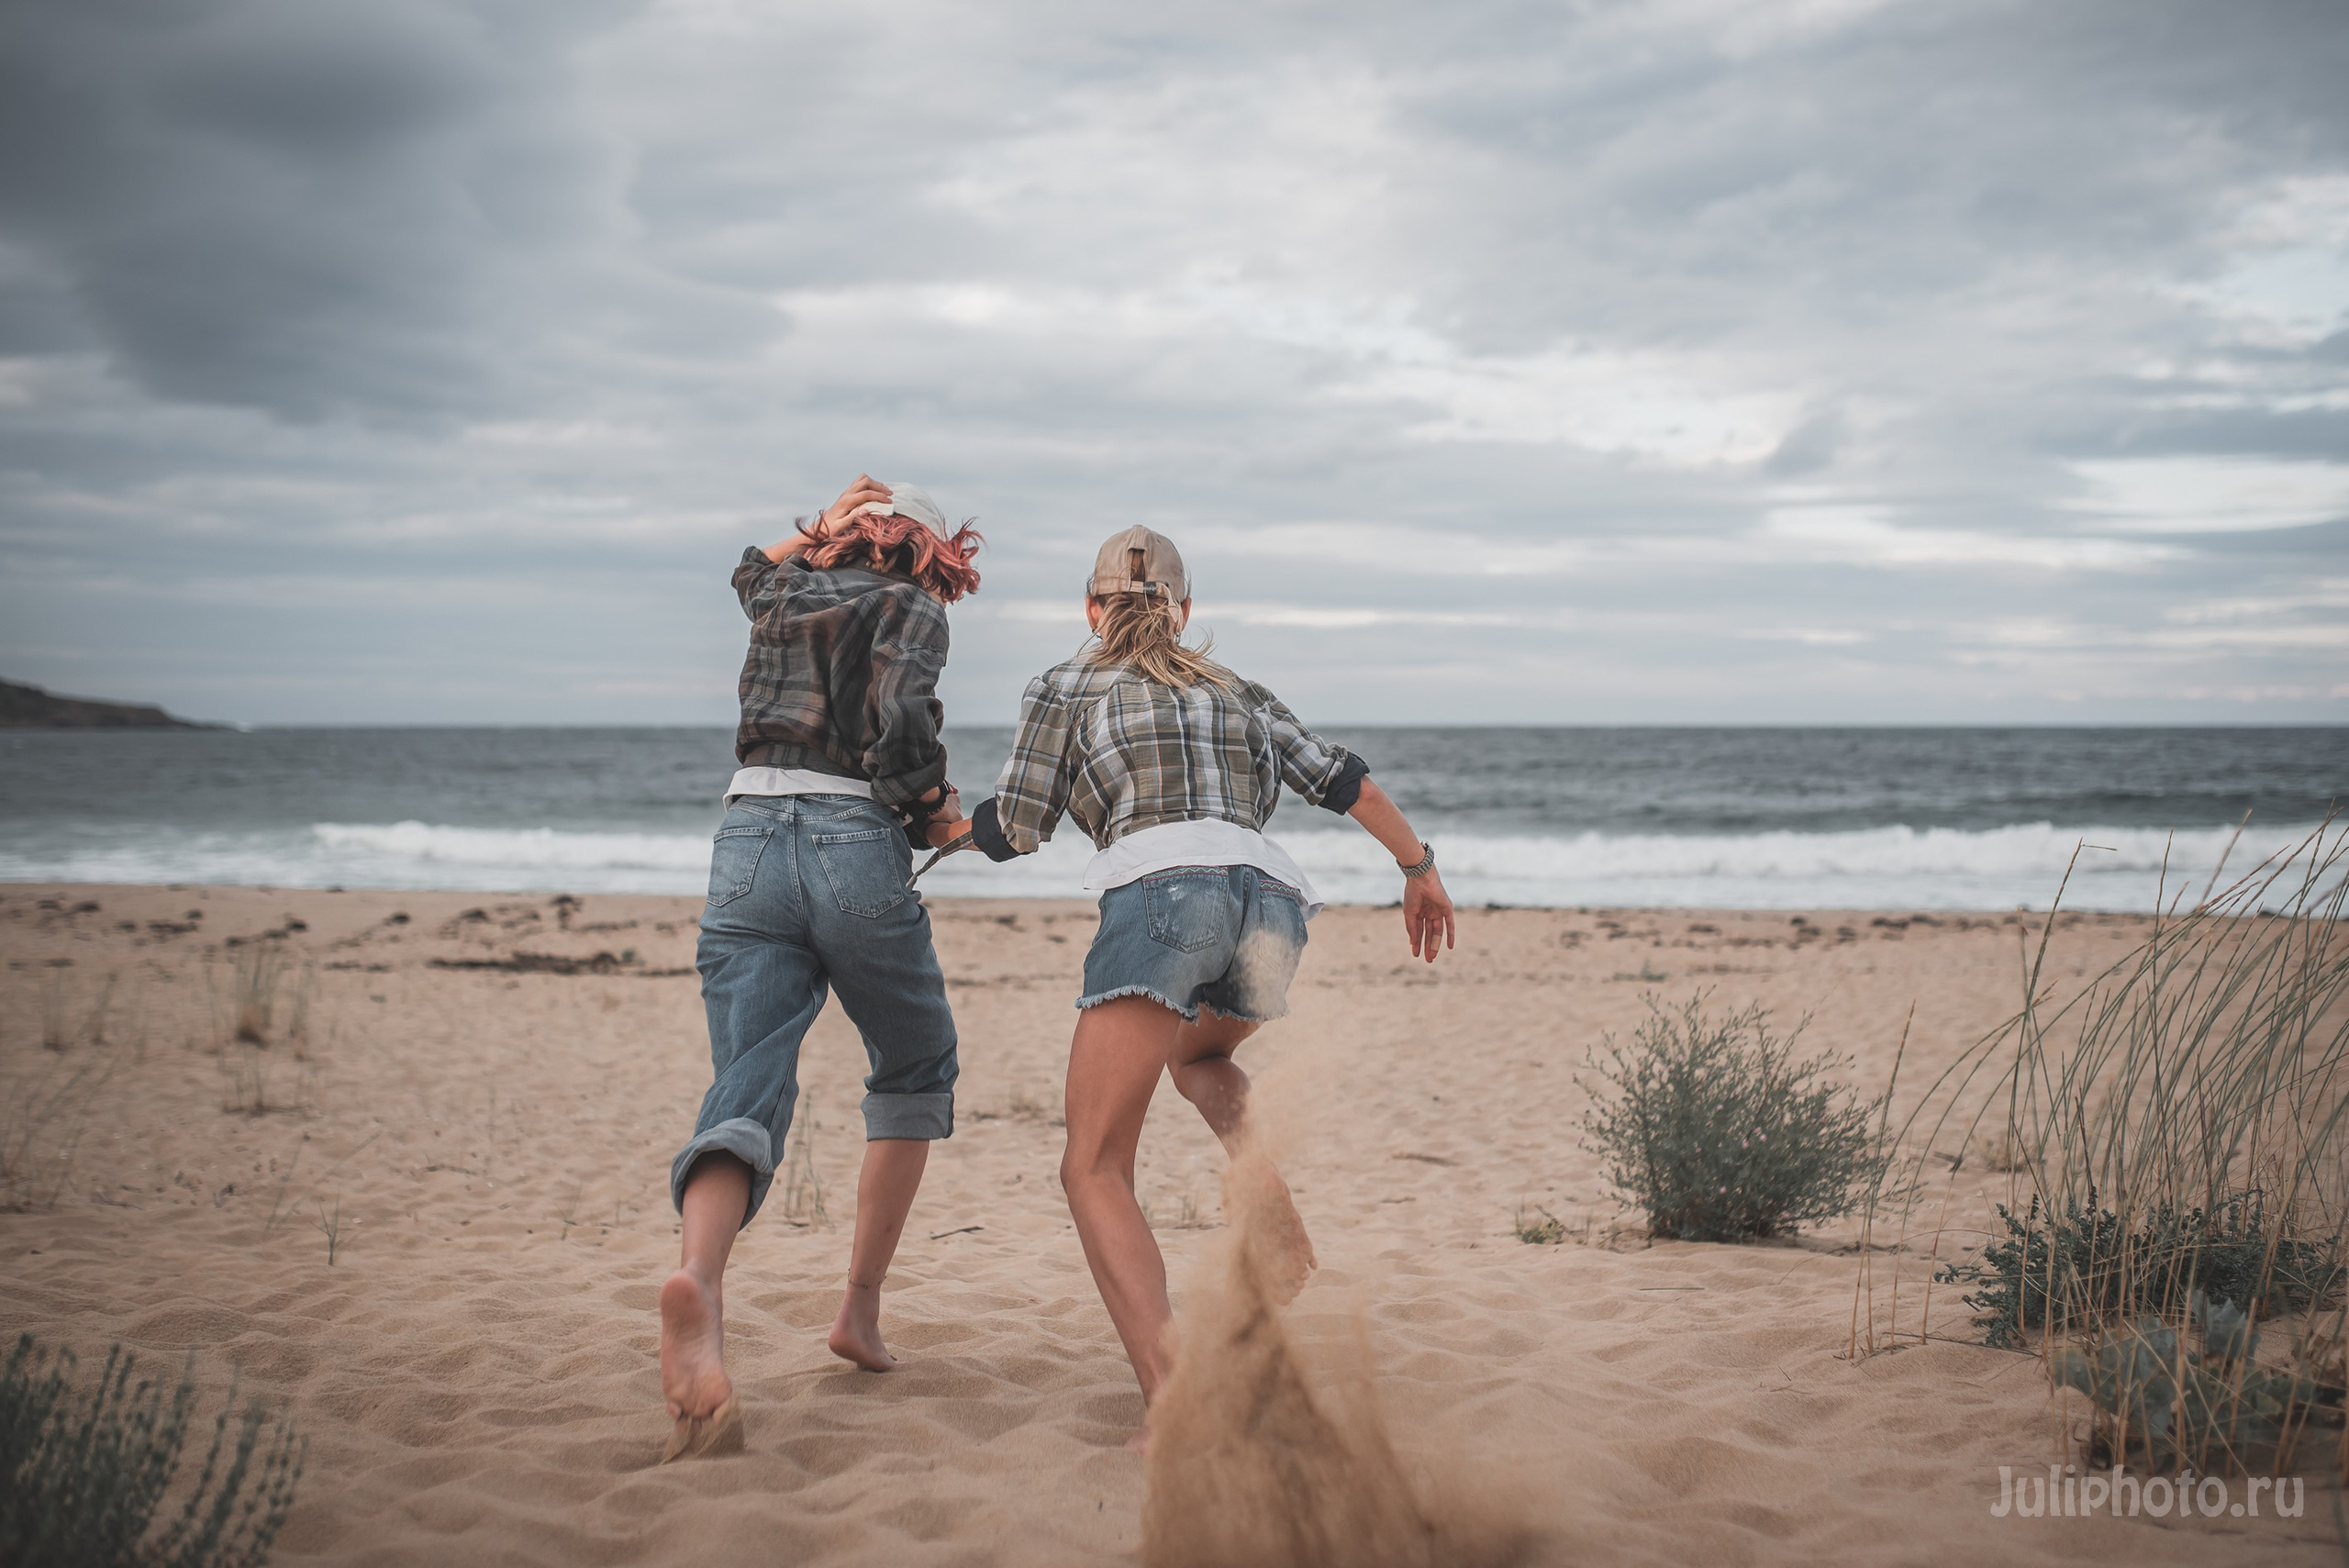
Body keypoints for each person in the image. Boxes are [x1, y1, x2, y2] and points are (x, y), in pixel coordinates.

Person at [938, 524, 1455, 1448]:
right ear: (1185, 609)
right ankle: (1266, 1196)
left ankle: (1172, 1400)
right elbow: (1351, 786)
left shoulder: (1064, 683)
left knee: (1092, 1165)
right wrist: (1419, 869)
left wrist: (942, 829)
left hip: (1165, 898)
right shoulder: (1235, 688)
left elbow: (1018, 827)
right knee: (1201, 1057)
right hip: (1272, 907)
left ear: (1090, 607)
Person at [658, 475, 979, 1461]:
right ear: (930, 550)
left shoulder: (784, 591)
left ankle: (699, 1279)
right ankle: (858, 1309)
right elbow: (902, 720)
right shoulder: (911, 605)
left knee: (747, 1077)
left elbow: (746, 568)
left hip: (746, 834)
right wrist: (933, 811)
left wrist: (820, 528)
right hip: (850, 834)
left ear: (849, 534)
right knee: (916, 1065)